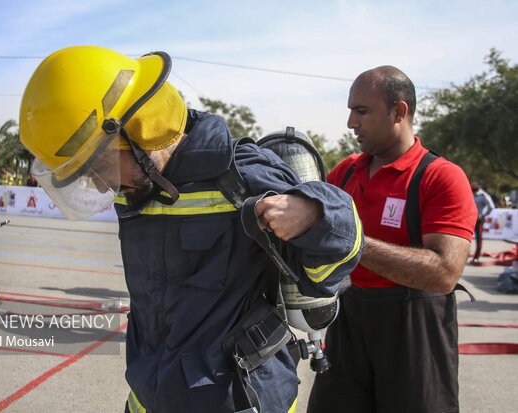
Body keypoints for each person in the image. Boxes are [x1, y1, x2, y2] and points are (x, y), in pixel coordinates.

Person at [19, 45, 363, 413]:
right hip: (148, 394)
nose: (103, 185)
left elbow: (345, 236)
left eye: (100, 166)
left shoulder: (241, 174)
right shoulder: (134, 188)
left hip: (241, 400)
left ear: (136, 133)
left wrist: (313, 213)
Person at [308, 66, 478, 413]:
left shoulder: (441, 177)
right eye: (350, 111)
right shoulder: (345, 172)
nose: (351, 123)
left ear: (399, 112)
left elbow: (444, 273)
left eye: (362, 111)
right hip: (348, 319)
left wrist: (351, 242)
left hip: (415, 331)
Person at [471, 180, 495, 263]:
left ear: (480, 186)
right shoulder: (470, 193)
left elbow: (491, 206)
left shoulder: (483, 195)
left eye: (475, 184)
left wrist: (482, 215)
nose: (473, 185)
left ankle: (476, 256)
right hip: (469, 219)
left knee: (478, 238)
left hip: (478, 220)